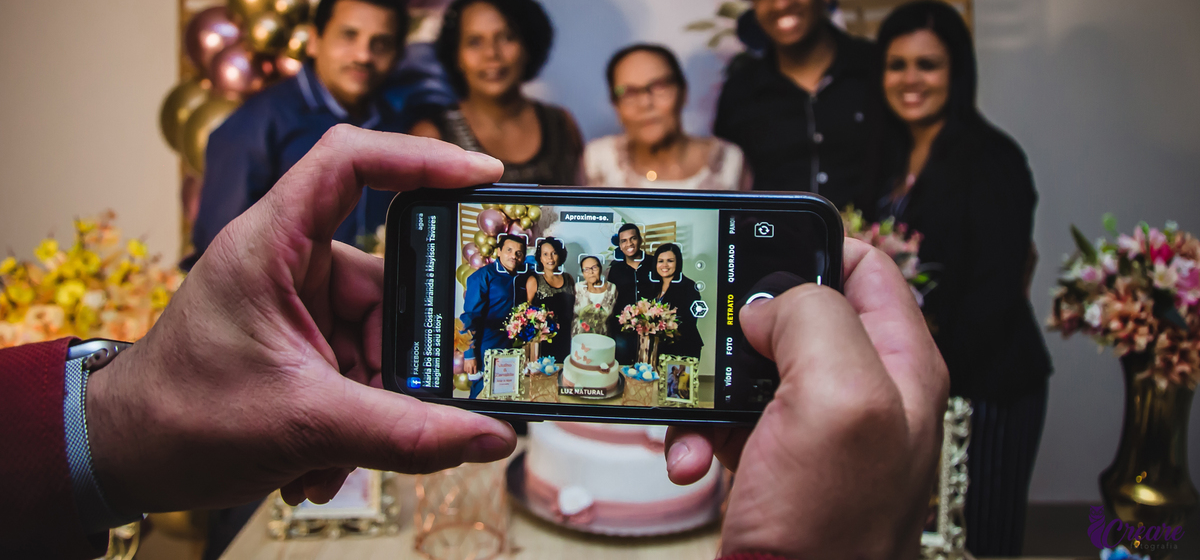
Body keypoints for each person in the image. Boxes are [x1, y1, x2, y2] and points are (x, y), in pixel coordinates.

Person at [0, 127, 948, 560]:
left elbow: (633, 320)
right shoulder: (533, 283)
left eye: (615, 254)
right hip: (551, 350)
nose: (601, 263)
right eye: (591, 256)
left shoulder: (658, 284)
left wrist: (659, 320)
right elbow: (539, 316)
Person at [866, 0, 1052, 557]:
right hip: (914, 380)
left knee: (978, 540)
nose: (910, 80)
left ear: (958, 72)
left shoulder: (993, 158)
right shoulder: (886, 155)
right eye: (897, 64)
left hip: (988, 383)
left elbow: (997, 292)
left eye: (929, 64)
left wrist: (926, 367)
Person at [188, 0, 411, 264]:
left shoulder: (396, 126)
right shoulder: (258, 122)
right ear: (314, 41)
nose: (363, 55)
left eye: (380, 44)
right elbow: (219, 249)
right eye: (348, 35)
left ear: (397, 55)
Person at [714, 0, 877, 208]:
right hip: (778, 250)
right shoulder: (740, 92)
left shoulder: (878, 69)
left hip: (878, 248)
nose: (781, 3)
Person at [409, 0, 583, 184]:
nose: (491, 53)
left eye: (506, 37)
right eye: (475, 42)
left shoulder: (562, 125)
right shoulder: (431, 137)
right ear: (456, 55)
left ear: (528, 45)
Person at [584, 44, 750, 189]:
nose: (645, 103)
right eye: (628, 92)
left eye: (659, 86)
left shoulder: (728, 161)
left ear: (683, 92)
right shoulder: (598, 160)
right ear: (615, 105)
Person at [461, 233, 528, 399]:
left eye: (518, 253)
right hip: (487, 345)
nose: (514, 255)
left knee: (508, 393)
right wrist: (469, 354)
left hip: (514, 348)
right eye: (509, 250)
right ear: (498, 251)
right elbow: (469, 317)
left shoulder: (521, 279)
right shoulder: (483, 276)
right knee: (482, 394)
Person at [642, 243, 704, 359]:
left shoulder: (689, 286)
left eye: (670, 261)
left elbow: (688, 321)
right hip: (656, 348)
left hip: (682, 348)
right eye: (660, 261)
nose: (664, 265)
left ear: (678, 263)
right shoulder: (652, 287)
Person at [605, 222, 650, 364]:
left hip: (651, 329)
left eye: (633, 238)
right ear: (619, 244)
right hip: (623, 331)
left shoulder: (654, 263)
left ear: (640, 240)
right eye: (623, 241)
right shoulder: (615, 269)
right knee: (622, 369)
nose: (629, 244)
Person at [524, 237, 574, 361]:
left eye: (554, 253)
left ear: (560, 255)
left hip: (568, 337)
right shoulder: (534, 280)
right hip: (545, 340)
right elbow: (527, 313)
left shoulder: (568, 278)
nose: (550, 258)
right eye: (545, 254)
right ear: (540, 258)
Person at [572, 254, 617, 337]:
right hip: (579, 337)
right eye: (586, 269)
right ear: (582, 273)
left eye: (594, 268)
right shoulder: (577, 288)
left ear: (600, 268)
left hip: (604, 337)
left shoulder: (612, 289)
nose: (591, 272)